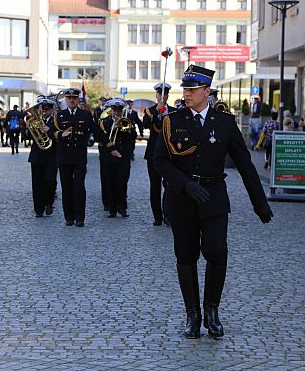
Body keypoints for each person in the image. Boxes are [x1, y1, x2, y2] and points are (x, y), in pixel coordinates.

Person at [153, 65, 273, 339]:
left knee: (216, 251)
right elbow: (160, 161)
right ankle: (192, 314)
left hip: (214, 198)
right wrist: (185, 184)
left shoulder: (225, 123)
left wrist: (260, 204)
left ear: (207, 91)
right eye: (185, 89)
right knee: (185, 255)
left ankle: (212, 311)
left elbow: (245, 165)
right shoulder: (172, 121)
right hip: (182, 199)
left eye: (192, 90)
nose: (187, 94)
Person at [50, 87, 121, 227]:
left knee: (79, 187)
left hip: (79, 158)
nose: (71, 100)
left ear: (78, 100)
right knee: (66, 187)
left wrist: (111, 147)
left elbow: (98, 131)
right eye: (69, 98)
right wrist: (59, 134)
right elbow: (50, 132)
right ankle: (69, 217)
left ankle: (80, 217)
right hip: (64, 157)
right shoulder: (59, 115)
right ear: (65, 99)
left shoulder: (85, 115)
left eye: (74, 98)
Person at [143, 82, 175, 226]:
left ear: (168, 96)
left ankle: (168, 214)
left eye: (165, 94)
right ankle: (157, 216)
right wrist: (157, 111)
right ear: (156, 95)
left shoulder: (174, 111)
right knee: (154, 186)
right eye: (159, 94)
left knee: (169, 185)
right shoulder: (150, 111)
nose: (162, 97)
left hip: (170, 154)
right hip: (153, 153)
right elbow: (145, 125)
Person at [99, 98, 135, 218]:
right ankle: (112, 209)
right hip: (109, 157)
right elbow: (102, 138)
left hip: (123, 157)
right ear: (111, 110)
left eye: (119, 110)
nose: (117, 113)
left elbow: (133, 136)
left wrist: (128, 129)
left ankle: (122, 208)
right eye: (115, 110)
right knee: (110, 183)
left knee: (122, 182)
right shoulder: (105, 122)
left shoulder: (126, 121)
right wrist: (113, 128)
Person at [27, 98, 57, 217]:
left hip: (52, 156)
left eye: (47, 109)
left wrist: (49, 130)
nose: (44, 111)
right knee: (37, 183)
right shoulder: (34, 121)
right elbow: (28, 136)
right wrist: (30, 128)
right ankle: (38, 209)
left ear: (52, 109)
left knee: (50, 181)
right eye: (42, 109)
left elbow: (59, 135)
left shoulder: (56, 121)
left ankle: (49, 203)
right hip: (37, 156)